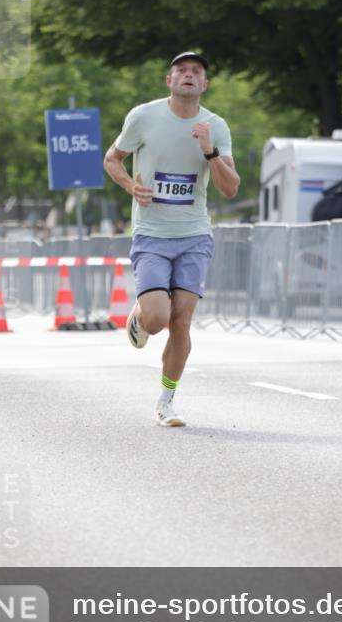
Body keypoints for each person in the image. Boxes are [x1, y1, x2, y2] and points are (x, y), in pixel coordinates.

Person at [103, 52, 240, 426]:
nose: (189, 75)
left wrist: (210, 150)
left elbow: (230, 188)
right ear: (169, 81)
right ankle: (141, 316)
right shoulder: (143, 116)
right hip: (151, 234)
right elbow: (112, 159)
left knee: (181, 322)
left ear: (205, 84)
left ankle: (166, 401)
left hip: (195, 235)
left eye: (197, 71)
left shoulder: (215, 126)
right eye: (181, 70)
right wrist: (131, 185)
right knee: (158, 319)